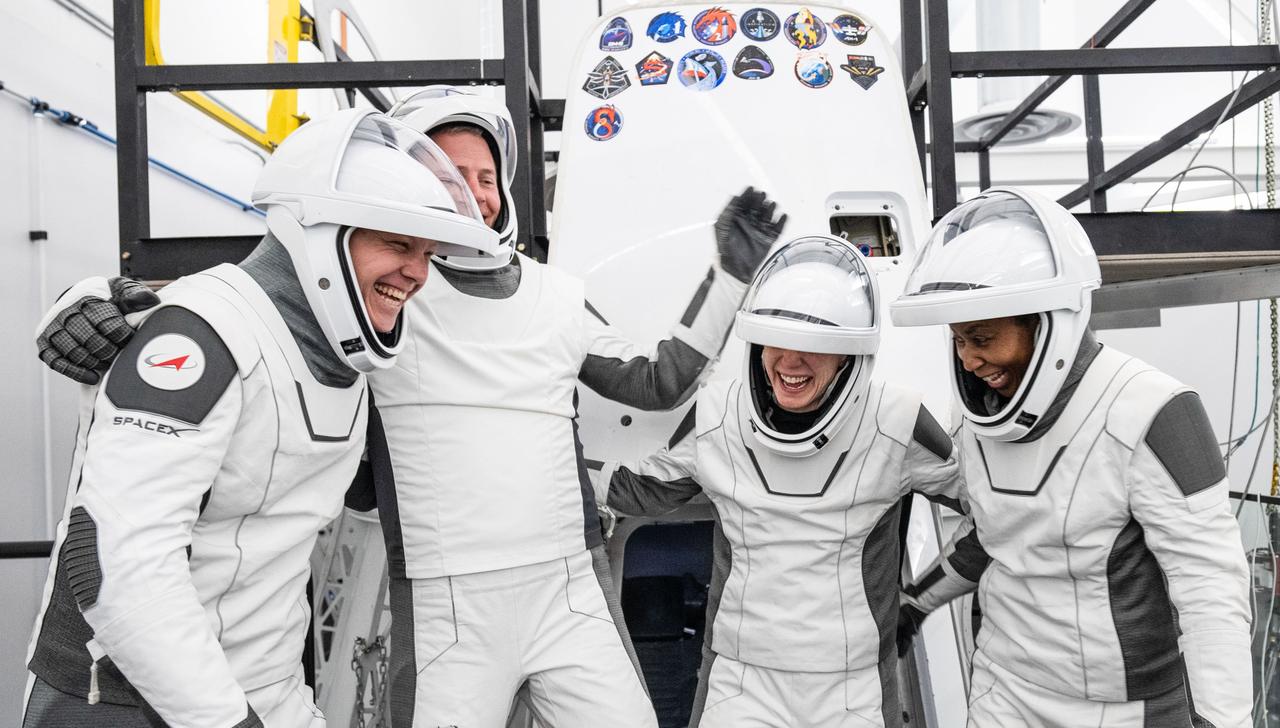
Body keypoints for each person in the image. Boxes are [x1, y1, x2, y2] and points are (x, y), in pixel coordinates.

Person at [34, 86, 785, 728]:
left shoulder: (540, 295)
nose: (470, 193)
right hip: (441, 604)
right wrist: (94, 302)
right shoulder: (371, 298)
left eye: (484, 176)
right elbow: (244, 298)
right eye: (448, 176)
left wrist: (727, 280)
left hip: (564, 587)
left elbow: (656, 381)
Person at [22, 108, 499, 727]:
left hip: (265, 687)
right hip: (126, 700)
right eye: (397, 244)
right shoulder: (204, 333)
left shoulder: (346, 351)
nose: (418, 272)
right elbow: (120, 564)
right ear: (320, 234)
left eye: (428, 252)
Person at [889, 187, 1252, 727]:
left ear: (1047, 323)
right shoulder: (979, 418)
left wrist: (1221, 720)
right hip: (1003, 690)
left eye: (982, 338)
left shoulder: (1153, 412)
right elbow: (995, 536)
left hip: (1124, 709)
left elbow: (1211, 590)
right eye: (959, 340)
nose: (969, 360)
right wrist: (916, 603)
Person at [591, 234, 963, 728]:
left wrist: (919, 601)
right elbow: (641, 491)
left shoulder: (895, 422)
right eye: (777, 341)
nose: (789, 362)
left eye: (813, 347)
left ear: (848, 353)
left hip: (852, 689)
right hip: (741, 683)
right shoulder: (718, 415)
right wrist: (541, 465)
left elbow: (993, 510)